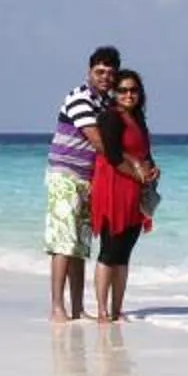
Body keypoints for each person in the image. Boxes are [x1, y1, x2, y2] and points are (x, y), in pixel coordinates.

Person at [45, 45, 119, 321]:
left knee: (79, 246)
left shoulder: (107, 104)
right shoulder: (79, 97)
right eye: (100, 71)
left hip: (88, 179)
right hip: (65, 174)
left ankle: (77, 308)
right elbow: (98, 141)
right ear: (89, 72)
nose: (105, 77)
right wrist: (128, 166)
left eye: (110, 73)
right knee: (63, 242)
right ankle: (57, 307)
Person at [88, 68, 158, 324]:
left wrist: (151, 168)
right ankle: (102, 311)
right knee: (109, 250)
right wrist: (138, 173)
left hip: (134, 192)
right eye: (123, 90)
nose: (129, 95)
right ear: (115, 93)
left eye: (134, 90)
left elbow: (144, 153)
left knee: (125, 251)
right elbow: (113, 156)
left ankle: (118, 310)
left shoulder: (138, 119)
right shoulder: (109, 118)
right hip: (113, 187)